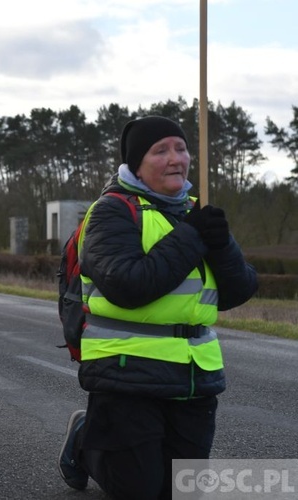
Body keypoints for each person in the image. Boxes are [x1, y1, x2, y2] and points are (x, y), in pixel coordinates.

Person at [57, 116, 258, 499]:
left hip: (194, 374)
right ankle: (86, 442)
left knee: (182, 490)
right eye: (160, 150)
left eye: (180, 148)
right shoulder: (111, 211)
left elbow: (238, 291)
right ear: (136, 163)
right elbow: (128, 285)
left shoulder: (198, 212)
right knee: (139, 490)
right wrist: (191, 236)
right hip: (126, 371)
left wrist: (220, 244)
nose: (175, 158)